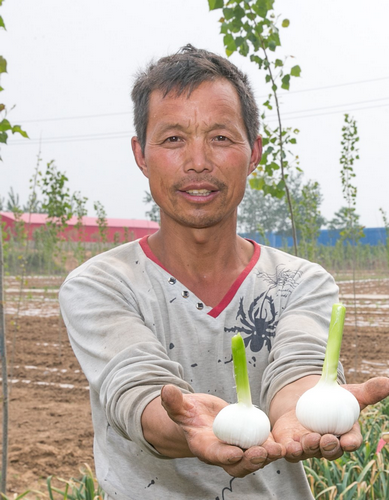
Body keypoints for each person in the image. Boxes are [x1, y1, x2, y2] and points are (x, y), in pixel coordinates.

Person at [59, 45, 389, 500]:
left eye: (220, 137)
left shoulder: (301, 281)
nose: (198, 161)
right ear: (141, 154)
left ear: (253, 152)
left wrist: (302, 413)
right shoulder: (101, 283)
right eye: (173, 139)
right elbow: (134, 389)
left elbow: (299, 367)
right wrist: (187, 423)